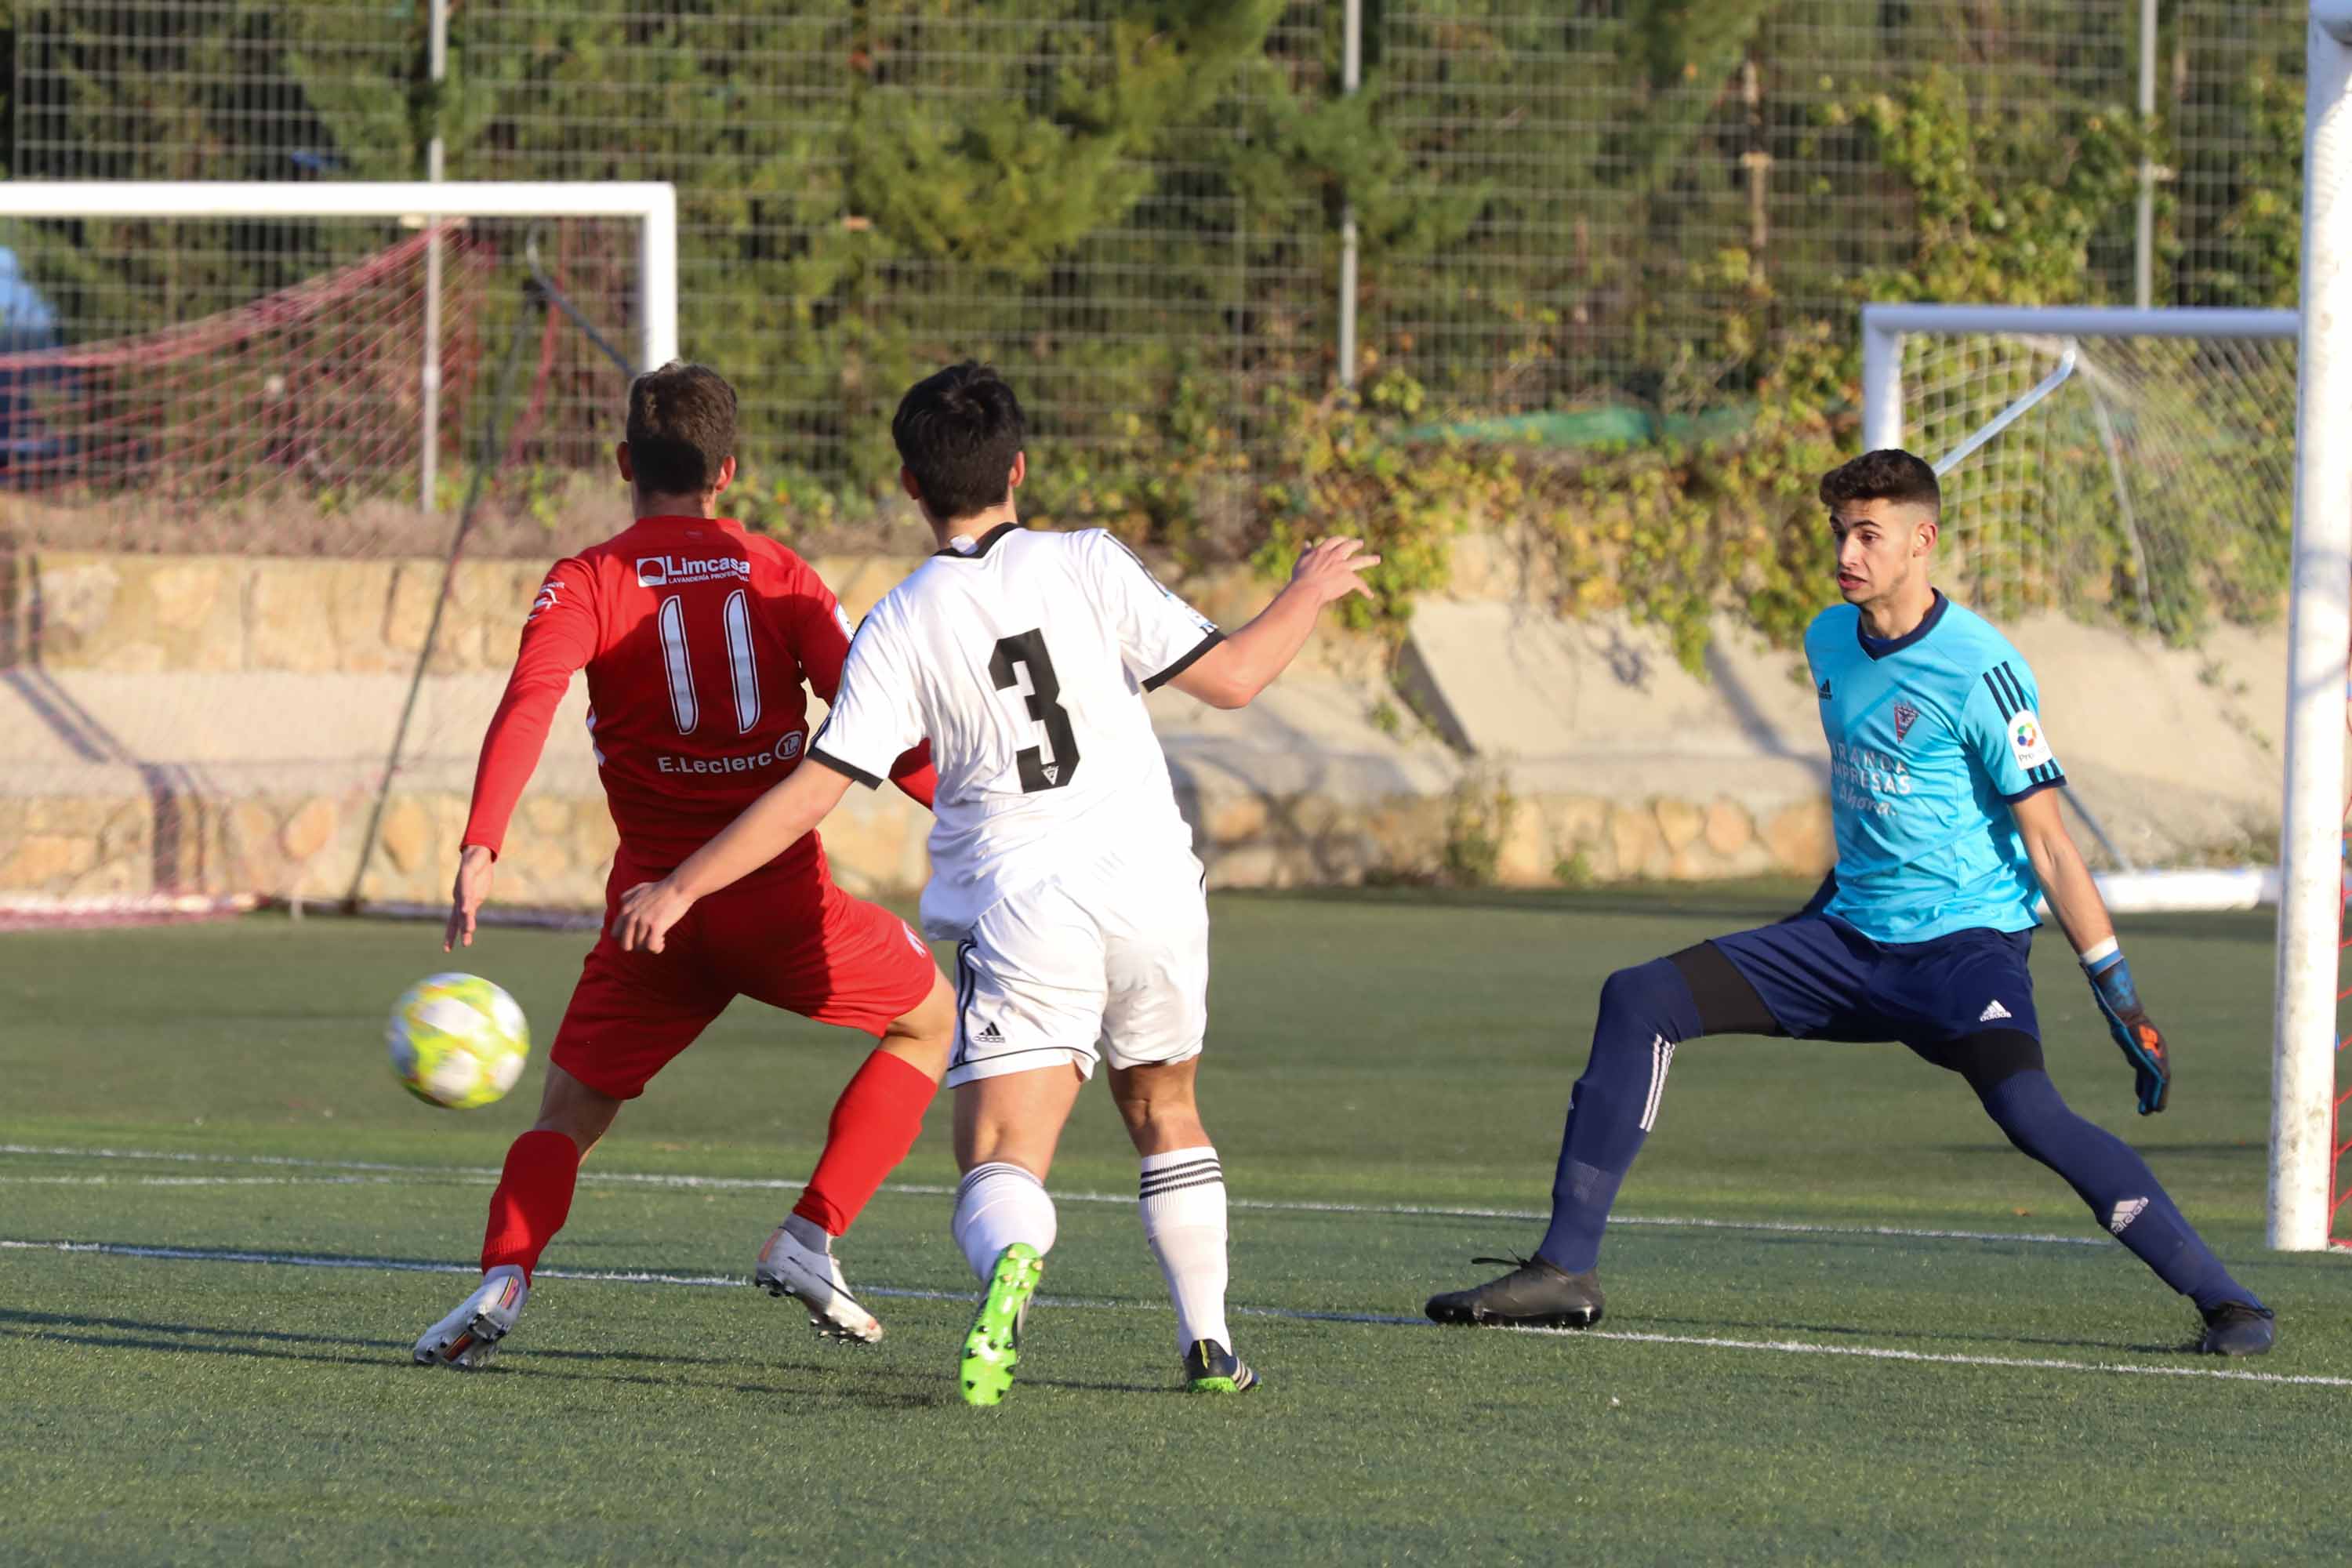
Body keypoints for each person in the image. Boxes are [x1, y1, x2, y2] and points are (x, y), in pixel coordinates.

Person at [612, 361, 1379, 1402]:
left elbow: (816, 790)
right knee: (1164, 1104)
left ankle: (1015, 1265)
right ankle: (1208, 1343)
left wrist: (682, 885)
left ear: (908, 485)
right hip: (1153, 883)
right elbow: (1237, 678)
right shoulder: (1088, 561)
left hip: (1024, 906)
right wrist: (1309, 589)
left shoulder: (901, 620)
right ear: (1017, 467)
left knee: (1001, 1156)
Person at [1425, 448, 2276, 1357]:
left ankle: (2230, 1302)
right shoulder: (1829, 641)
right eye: (1840, 532)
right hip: (1845, 939)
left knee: (2030, 1111)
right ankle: (1565, 1269)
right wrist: (1811, 920)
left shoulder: (1985, 669)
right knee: (1640, 996)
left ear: (1923, 540)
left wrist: (2120, 996)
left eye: (1870, 533)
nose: (1849, 551)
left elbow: (2052, 843)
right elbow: (1874, 809)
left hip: (1965, 953)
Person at [412, 362, 956, 1370]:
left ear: (625, 462)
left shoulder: (588, 579)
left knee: (566, 1118)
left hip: (651, 920)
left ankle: (506, 1272)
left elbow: (530, 697)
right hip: (786, 913)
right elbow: (872, 724)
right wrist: (968, 803)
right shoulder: (780, 572)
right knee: (933, 1022)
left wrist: (481, 841)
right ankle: (811, 1230)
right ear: (729, 471)